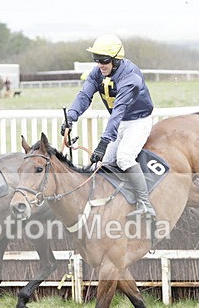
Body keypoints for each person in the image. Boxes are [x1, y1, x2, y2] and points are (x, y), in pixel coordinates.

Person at [61, 34, 156, 219]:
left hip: (138, 121)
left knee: (124, 158)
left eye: (103, 60)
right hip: (119, 122)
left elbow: (118, 111)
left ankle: (146, 205)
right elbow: (84, 96)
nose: (99, 64)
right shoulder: (98, 72)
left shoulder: (131, 77)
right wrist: (70, 117)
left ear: (116, 59)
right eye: (96, 59)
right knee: (101, 163)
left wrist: (104, 142)